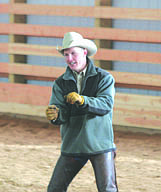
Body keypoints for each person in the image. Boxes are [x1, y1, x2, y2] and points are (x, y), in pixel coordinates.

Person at [45, 32, 118, 192]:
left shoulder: (104, 78)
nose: (70, 58)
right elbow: (60, 111)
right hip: (73, 143)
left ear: (84, 52)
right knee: (54, 189)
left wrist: (84, 100)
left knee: (107, 189)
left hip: (99, 144)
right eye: (66, 54)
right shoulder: (60, 83)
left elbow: (105, 104)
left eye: (73, 53)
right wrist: (56, 115)